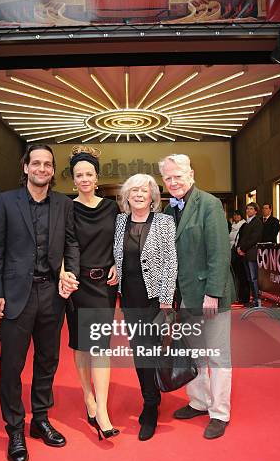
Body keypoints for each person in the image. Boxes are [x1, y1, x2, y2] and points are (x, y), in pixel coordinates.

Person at [0, 144, 80, 461]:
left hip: (52, 296)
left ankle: (40, 419)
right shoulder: (6, 201)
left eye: (48, 165)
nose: (42, 169)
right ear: (25, 167)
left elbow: (71, 243)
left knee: (47, 360)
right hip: (15, 296)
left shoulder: (63, 204)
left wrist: (71, 274)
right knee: (12, 366)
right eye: (36, 163)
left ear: (53, 171)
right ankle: (15, 428)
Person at [159, 154, 235, 440]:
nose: (174, 181)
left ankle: (219, 412)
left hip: (209, 296)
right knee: (195, 352)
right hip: (186, 298)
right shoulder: (167, 213)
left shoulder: (210, 204)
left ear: (190, 173)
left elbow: (219, 252)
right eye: (168, 177)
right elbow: (168, 259)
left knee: (217, 355)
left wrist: (213, 293)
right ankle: (200, 401)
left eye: (178, 175)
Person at [61, 145, 119, 441]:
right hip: (77, 285)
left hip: (104, 287)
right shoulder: (66, 207)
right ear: (73, 180)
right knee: (82, 345)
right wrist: (62, 273)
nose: (84, 178)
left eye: (89, 174)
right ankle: (88, 398)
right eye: (79, 174)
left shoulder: (112, 208)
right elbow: (58, 245)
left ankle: (104, 411)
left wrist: (118, 266)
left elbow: (121, 243)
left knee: (101, 346)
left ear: (97, 178)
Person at [114, 174, 177, 441]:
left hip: (154, 298)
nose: (139, 194)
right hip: (129, 297)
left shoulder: (164, 221)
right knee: (139, 351)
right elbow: (114, 253)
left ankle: (150, 406)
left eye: (144, 190)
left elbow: (170, 261)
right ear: (127, 196)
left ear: (152, 196)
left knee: (148, 350)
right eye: (133, 190)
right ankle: (150, 398)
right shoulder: (120, 221)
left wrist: (166, 296)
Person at [237, 202, 263, 307]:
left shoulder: (257, 222)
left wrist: (242, 248)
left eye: (251, 209)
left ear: (256, 211)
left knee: (254, 278)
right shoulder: (247, 223)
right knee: (249, 278)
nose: (248, 211)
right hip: (246, 254)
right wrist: (239, 248)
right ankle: (254, 299)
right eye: (247, 209)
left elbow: (254, 238)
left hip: (252, 254)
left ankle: (257, 301)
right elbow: (243, 238)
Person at [230, 210, 249, 304]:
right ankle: (237, 295)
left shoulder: (243, 225)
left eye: (238, 215)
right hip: (233, 250)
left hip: (239, 252)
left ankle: (242, 296)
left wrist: (240, 248)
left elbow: (242, 238)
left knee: (242, 275)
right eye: (234, 215)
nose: (236, 217)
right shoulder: (233, 226)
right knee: (236, 274)